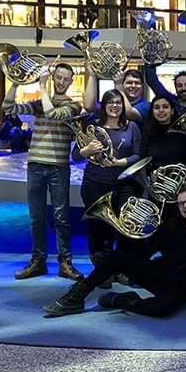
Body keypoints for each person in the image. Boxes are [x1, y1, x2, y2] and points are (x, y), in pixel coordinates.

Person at [42, 185, 186, 317]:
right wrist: (136, 234)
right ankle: (75, 298)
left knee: (161, 309)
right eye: (181, 203)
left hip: (181, 287)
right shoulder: (172, 225)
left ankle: (126, 300)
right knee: (116, 256)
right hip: (160, 274)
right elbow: (146, 252)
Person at [1, 63, 84, 281]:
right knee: (36, 217)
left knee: (61, 217)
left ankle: (65, 262)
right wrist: (15, 83)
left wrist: (43, 86)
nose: (61, 82)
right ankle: (38, 261)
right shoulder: (39, 104)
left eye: (66, 79)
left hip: (58, 166)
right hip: (36, 164)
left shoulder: (74, 106)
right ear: (54, 77)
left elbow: (52, 114)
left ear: (71, 82)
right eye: (58, 77)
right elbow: (7, 108)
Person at [72, 88, 142, 286]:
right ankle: (102, 270)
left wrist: (119, 163)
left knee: (124, 228)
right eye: (110, 102)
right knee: (97, 228)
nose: (114, 106)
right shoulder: (92, 126)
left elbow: (138, 155)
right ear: (104, 106)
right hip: (94, 183)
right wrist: (87, 150)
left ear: (123, 106)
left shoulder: (132, 127)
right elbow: (75, 156)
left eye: (118, 102)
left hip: (123, 184)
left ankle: (121, 267)